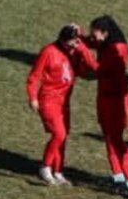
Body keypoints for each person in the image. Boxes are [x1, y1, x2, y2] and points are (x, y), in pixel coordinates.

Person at [26, 23, 91, 186]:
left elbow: (88, 69)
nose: (74, 45)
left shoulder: (75, 51)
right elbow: (34, 76)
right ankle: (46, 167)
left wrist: (82, 49)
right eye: (71, 42)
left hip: (64, 101)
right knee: (59, 134)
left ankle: (58, 171)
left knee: (63, 136)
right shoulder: (48, 52)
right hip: (49, 99)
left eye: (76, 42)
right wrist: (33, 97)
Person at [85, 16, 128, 194]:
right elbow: (94, 44)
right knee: (108, 136)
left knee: (116, 138)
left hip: (116, 99)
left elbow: (98, 68)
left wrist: (82, 50)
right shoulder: (108, 43)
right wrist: (79, 37)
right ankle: (118, 177)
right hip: (105, 96)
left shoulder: (117, 49)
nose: (93, 38)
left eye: (95, 34)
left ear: (106, 33)